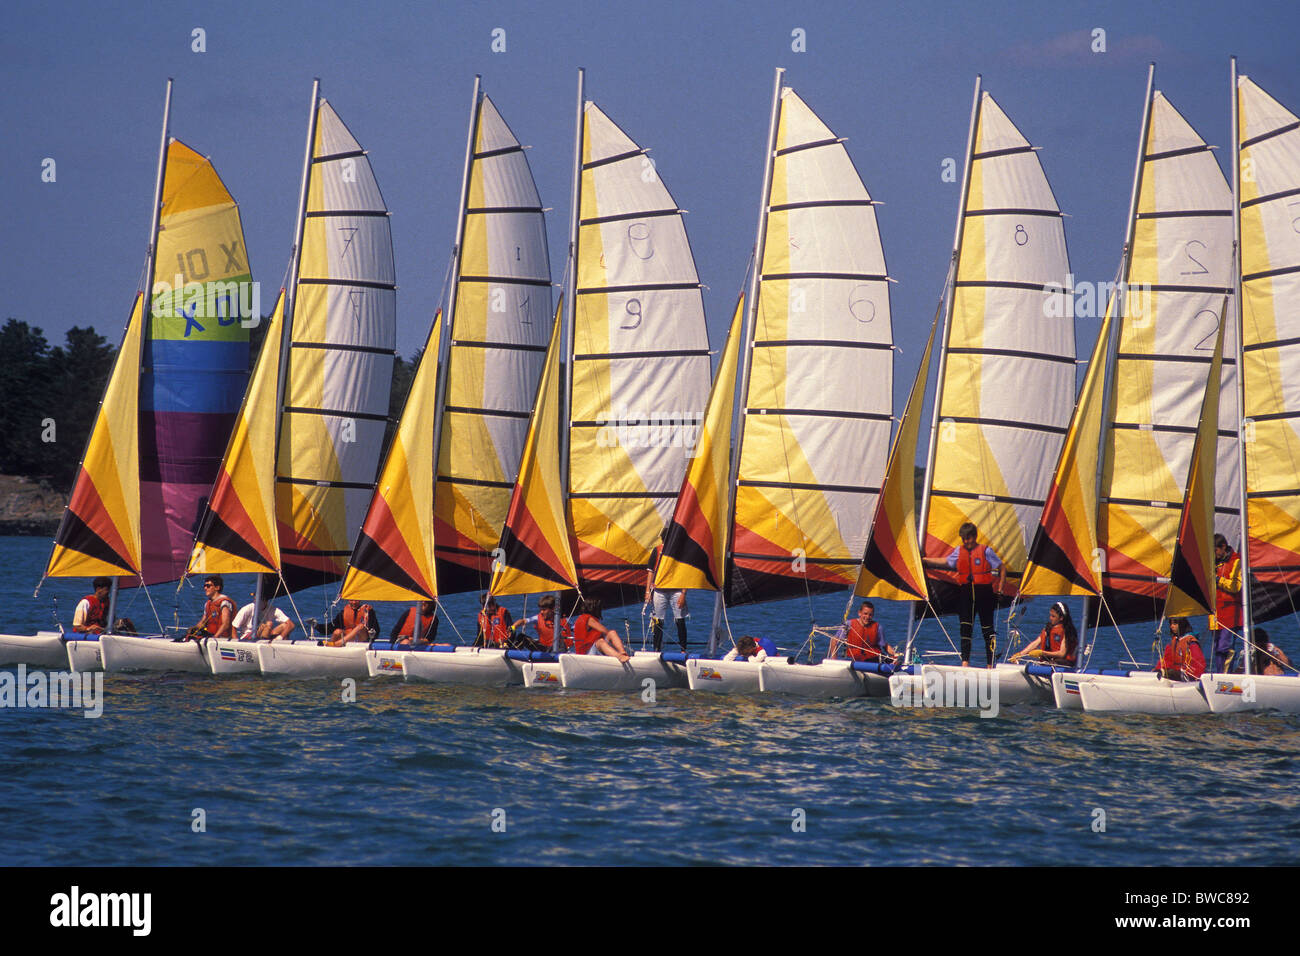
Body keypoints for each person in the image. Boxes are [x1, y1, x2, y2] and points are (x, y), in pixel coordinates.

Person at [922, 521, 1005, 667]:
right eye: (964, 539)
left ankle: (990, 664)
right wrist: (925, 560)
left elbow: (1001, 568)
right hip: (966, 593)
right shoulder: (959, 551)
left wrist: (1001, 589)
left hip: (984, 593)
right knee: (965, 628)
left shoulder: (986, 551)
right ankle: (965, 662)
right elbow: (946, 561)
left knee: (988, 630)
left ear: (974, 536)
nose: (966, 542)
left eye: (969, 538)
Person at [645, 545, 688, 652]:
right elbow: (650, 571)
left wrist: (683, 593)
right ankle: (656, 649)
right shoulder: (657, 550)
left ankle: (683, 649)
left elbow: (686, 573)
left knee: (680, 620)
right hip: (659, 590)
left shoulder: (680, 550)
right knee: (658, 621)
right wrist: (647, 591)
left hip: (677, 590)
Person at [1010, 601, 1077, 667]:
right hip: (1051, 661)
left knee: (1052, 663)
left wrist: (1042, 652)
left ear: (1061, 618)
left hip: (1064, 664)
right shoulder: (1048, 628)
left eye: (1053, 616)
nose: (1050, 618)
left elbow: (1062, 653)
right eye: (1050, 615)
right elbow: (1036, 642)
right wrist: (1020, 654)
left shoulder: (1067, 631)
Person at [1210, 534, 1242, 672]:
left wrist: (1218, 580)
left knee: (1225, 648)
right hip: (1215, 613)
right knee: (1217, 648)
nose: (1214, 554)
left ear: (1223, 547)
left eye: (1215, 551)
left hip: (1230, 613)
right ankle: (1219, 675)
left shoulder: (1236, 561)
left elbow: (1236, 586)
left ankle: (1225, 676)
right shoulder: (1213, 562)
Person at [828, 600, 898, 664]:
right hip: (855, 660)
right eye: (865, 613)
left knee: (894, 662)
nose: (867, 617)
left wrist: (894, 655)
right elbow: (834, 640)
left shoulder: (878, 627)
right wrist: (834, 661)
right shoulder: (849, 624)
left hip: (874, 660)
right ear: (859, 613)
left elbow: (884, 645)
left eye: (870, 615)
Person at [183, 575, 235, 640]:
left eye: (208, 586)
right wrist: (194, 628)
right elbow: (203, 622)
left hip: (223, 639)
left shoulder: (224, 602)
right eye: (204, 586)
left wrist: (214, 638)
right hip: (210, 637)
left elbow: (226, 624)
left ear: (217, 587)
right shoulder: (208, 603)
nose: (205, 588)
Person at [1157, 617, 1206, 681]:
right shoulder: (1173, 643)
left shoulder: (1192, 644)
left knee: (1168, 673)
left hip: (1188, 676)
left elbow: (1198, 665)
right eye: (1170, 624)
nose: (1172, 626)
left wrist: (1183, 674)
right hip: (1175, 674)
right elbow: (1167, 660)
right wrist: (1158, 669)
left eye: (1175, 624)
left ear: (1181, 624)